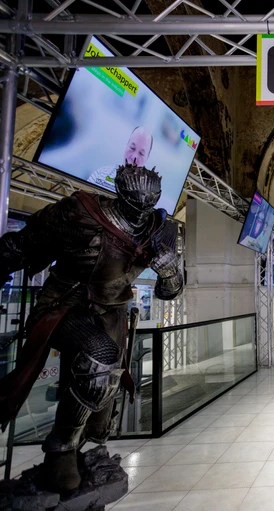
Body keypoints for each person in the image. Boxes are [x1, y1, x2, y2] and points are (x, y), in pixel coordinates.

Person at [0, 163, 183, 494]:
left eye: (149, 203)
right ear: (120, 194)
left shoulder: (161, 230)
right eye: (135, 203)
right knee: (101, 359)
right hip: (65, 304)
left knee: (106, 389)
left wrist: (170, 272)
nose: (141, 212)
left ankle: (85, 447)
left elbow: (170, 291)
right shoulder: (79, 212)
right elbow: (22, 246)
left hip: (111, 313)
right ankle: (61, 448)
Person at [87, 127, 154, 191]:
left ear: (147, 158)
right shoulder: (100, 174)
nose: (134, 157)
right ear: (126, 146)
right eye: (132, 148)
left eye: (141, 153)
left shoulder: (149, 195)